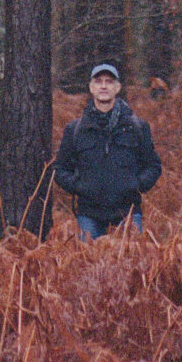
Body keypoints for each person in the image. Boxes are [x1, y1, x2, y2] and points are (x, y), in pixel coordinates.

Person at [51, 63, 160, 238]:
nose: (103, 86)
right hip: (89, 216)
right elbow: (60, 168)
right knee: (89, 264)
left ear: (117, 88)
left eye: (109, 82)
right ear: (91, 88)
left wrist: (136, 185)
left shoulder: (137, 127)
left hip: (128, 213)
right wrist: (79, 186)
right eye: (98, 81)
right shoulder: (76, 129)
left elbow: (153, 166)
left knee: (132, 264)